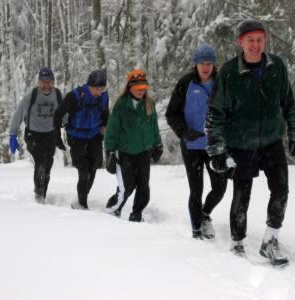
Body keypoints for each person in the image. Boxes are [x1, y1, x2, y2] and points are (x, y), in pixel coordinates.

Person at [205, 20, 295, 266]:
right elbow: (215, 114)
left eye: (260, 39)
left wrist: (294, 130)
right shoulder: (229, 73)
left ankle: (270, 241)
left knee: (281, 189)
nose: (256, 45)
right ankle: (237, 242)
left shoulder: (277, 66)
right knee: (242, 194)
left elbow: (288, 100)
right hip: (240, 143)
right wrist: (217, 149)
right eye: (251, 40)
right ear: (241, 42)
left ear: (265, 41)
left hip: (271, 140)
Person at [166, 43, 227, 239]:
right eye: (202, 63)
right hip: (191, 146)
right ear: (196, 64)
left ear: (214, 65)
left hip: (215, 147)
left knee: (220, 188)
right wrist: (184, 132)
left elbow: (233, 114)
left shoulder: (223, 83)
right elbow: (171, 114)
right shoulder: (185, 83)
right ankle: (196, 231)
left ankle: (205, 214)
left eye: (209, 63)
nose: (206, 67)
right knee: (196, 190)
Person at [104, 70, 163, 222]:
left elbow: (153, 126)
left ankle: (136, 214)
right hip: (124, 153)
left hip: (143, 152)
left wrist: (157, 144)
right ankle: (112, 211)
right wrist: (109, 151)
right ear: (130, 87)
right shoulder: (121, 106)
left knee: (144, 188)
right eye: (137, 88)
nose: (140, 91)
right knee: (127, 187)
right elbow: (112, 130)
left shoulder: (149, 104)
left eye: (143, 88)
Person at [53, 69, 109, 210]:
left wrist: (104, 126)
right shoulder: (74, 96)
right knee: (83, 168)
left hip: (95, 135)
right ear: (89, 85)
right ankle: (82, 204)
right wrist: (57, 136)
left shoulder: (103, 97)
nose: (98, 92)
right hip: (76, 136)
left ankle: (81, 198)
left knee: (94, 165)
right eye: (96, 89)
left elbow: (105, 114)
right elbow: (58, 115)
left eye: (101, 89)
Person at [9, 67, 65, 203]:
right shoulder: (32, 95)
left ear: (53, 82)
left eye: (49, 82)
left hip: (50, 135)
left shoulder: (57, 95)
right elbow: (18, 114)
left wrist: (70, 127)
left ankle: (42, 193)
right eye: (43, 82)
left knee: (48, 164)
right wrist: (12, 134)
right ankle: (39, 195)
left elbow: (64, 115)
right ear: (39, 82)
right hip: (33, 135)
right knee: (40, 161)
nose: (46, 85)